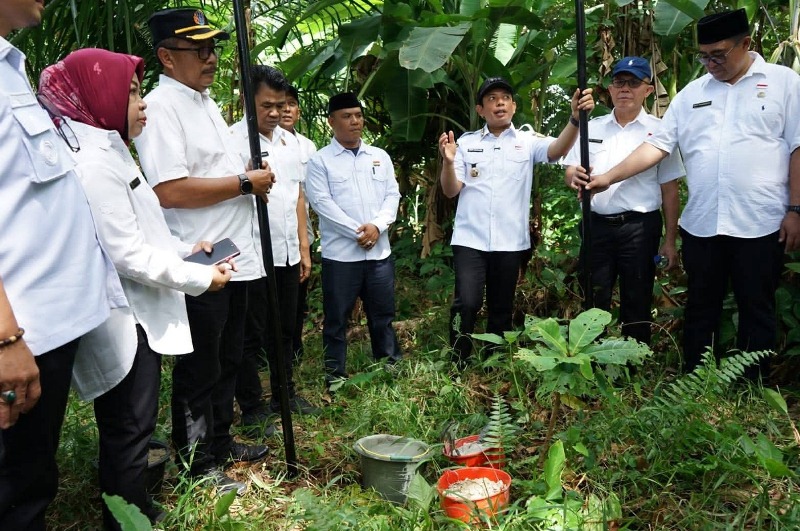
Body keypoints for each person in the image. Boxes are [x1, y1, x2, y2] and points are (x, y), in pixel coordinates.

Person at [38, 48, 234, 527]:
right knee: (129, 428)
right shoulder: (94, 165)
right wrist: (198, 277)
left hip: (139, 311)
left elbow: (142, 229)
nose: (141, 103)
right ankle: (127, 518)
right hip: (124, 318)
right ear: (98, 94)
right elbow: (125, 254)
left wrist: (188, 249)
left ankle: (134, 510)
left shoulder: (108, 149)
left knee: (134, 424)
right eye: (129, 91)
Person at [584, 9, 800, 373]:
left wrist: (795, 208)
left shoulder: (784, 83)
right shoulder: (692, 94)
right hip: (703, 223)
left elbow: (797, 146)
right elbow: (656, 146)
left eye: (718, 54)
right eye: (704, 55)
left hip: (762, 222)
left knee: (756, 306)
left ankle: (753, 386)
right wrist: (607, 177)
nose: (710, 63)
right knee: (701, 306)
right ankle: (695, 383)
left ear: (745, 44)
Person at [133, 7, 275, 494]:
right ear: (167, 57)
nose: (211, 58)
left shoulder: (204, 101)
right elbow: (169, 190)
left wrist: (247, 178)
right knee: (200, 366)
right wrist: (242, 183)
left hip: (237, 257)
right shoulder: (161, 108)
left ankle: (219, 440)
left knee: (229, 357)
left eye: (213, 48)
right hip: (201, 257)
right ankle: (197, 463)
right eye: (199, 50)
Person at [0, 2, 125, 528]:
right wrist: (4, 340)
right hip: (18, 335)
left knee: (31, 481)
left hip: (44, 331)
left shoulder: (10, 67)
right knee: (14, 494)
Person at [438, 78, 594, 364]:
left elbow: (557, 150)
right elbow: (450, 190)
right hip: (469, 239)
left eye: (505, 97)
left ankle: (494, 361)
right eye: (492, 98)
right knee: (467, 303)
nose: (499, 102)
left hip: (510, 241)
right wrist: (448, 161)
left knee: (501, 305)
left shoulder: (527, 141)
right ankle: (458, 362)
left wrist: (574, 118)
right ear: (480, 109)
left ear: (513, 105)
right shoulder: (466, 143)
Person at [564, 57, 684, 345]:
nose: (625, 89)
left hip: (639, 227)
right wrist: (574, 178)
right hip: (596, 226)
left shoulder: (660, 131)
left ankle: (633, 362)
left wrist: (670, 240)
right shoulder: (592, 127)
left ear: (649, 90)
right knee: (593, 295)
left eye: (633, 83)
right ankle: (590, 358)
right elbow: (570, 170)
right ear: (610, 88)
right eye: (619, 82)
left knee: (637, 296)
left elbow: (670, 190)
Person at [230, 66, 318, 433]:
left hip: (286, 252)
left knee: (286, 329)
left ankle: (285, 392)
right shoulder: (232, 141)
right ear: (247, 101)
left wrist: (303, 246)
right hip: (250, 254)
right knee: (249, 334)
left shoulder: (290, 143)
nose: (274, 112)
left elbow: (296, 195)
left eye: (280, 105)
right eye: (266, 105)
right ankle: (251, 405)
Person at [305, 92, 402, 391]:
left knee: (382, 315)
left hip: (378, 255)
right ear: (332, 121)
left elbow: (392, 195)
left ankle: (389, 366)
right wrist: (359, 232)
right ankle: (335, 375)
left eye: (358, 115)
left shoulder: (379, 156)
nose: (355, 121)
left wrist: (377, 226)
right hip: (341, 257)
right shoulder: (320, 161)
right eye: (347, 116)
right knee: (336, 319)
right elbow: (322, 203)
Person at [281, 84, 318, 363]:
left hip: (302, 231)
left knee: (298, 292)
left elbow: (309, 193)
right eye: (280, 105)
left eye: (291, 104)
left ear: (298, 110)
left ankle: (294, 344)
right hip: (274, 231)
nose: (285, 110)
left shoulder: (307, 146)